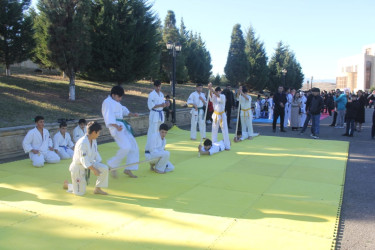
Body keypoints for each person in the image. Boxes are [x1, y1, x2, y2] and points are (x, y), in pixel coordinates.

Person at [102, 85, 140, 178]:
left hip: (122, 126)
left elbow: (123, 110)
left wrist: (132, 114)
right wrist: (116, 126)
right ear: (113, 95)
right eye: (119, 96)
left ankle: (129, 169)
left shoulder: (116, 102)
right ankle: (112, 165)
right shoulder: (107, 102)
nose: (120, 99)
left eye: (121, 97)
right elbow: (108, 117)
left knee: (134, 146)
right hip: (115, 127)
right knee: (126, 147)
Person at [64, 121, 109, 196]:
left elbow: (95, 153)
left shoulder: (93, 140)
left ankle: (98, 189)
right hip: (78, 167)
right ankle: (68, 185)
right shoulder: (82, 143)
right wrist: (94, 170)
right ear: (94, 132)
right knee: (80, 193)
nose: (99, 134)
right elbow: (84, 160)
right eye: (98, 133)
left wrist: (100, 165)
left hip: (90, 163)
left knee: (104, 168)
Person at [208, 83, 231, 150]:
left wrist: (212, 90)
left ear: (220, 91)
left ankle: (227, 145)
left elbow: (218, 95)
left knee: (224, 130)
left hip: (222, 115)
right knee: (214, 130)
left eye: (218, 91)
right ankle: (214, 143)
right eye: (216, 91)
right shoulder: (214, 96)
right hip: (215, 115)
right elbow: (211, 97)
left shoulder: (223, 96)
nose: (217, 92)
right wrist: (210, 89)